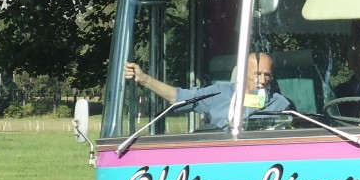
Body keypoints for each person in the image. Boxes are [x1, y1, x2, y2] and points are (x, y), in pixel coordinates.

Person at [125, 51, 291, 130]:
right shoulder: (220, 92)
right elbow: (178, 97)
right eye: (257, 74)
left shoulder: (280, 104)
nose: (262, 80)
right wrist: (144, 79)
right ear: (242, 73)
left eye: (267, 75)